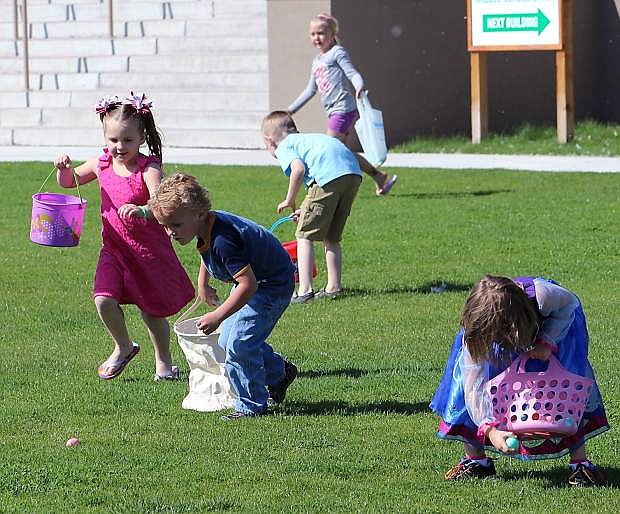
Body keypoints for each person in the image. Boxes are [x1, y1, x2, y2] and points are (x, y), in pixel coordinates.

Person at [54, 93, 194, 381]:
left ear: (141, 137)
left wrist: (143, 211)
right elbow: (70, 182)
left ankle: (164, 364)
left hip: (147, 252)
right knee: (103, 299)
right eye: (113, 140)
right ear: (105, 136)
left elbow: (160, 202)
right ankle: (123, 346)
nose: (119, 147)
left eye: (127, 141)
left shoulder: (148, 168)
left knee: (152, 311)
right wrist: (63, 169)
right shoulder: (101, 163)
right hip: (115, 250)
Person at [430, 275, 609, 486]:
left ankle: (580, 464)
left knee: (561, 383)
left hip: (551, 327)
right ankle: (476, 461)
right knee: (468, 385)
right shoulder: (475, 335)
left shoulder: (543, 296)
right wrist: (490, 429)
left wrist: (547, 340)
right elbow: (473, 387)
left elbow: (570, 305)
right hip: (518, 328)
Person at [148, 173, 298, 420]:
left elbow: (247, 285)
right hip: (256, 280)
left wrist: (217, 316)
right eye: (165, 225)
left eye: (175, 225)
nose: (169, 233)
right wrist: (202, 284)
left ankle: (250, 406)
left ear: (198, 213)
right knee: (227, 340)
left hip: (270, 285)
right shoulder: (206, 226)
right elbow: (206, 252)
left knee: (239, 343)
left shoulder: (223, 239)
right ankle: (280, 372)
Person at [287, 12, 397, 197]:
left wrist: (359, 86)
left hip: (343, 108)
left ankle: (319, 188)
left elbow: (352, 73)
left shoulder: (337, 53)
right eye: (313, 34)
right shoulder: (317, 61)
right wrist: (291, 110)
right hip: (333, 111)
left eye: (321, 33)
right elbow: (310, 90)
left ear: (332, 34)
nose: (317, 38)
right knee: (345, 152)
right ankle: (378, 176)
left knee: (328, 147)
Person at [262, 110, 362, 304]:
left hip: (328, 176)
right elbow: (319, 190)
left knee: (304, 235)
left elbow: (298, 169)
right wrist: (306, 207)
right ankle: (334, 287)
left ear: (270, 141)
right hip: (352, 174)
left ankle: (305, 291)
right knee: (331, 237)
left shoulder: (284, 146)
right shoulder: (308, 139)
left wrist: (290, 200)